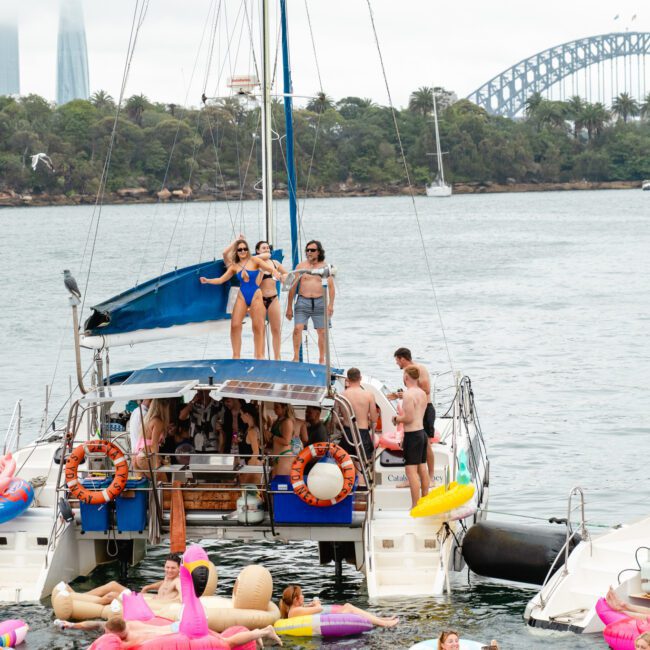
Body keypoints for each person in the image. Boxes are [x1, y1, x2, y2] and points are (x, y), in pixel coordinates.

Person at [200, 238, 278, 359]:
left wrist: (277, 273)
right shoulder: (234, 266)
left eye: (245, 249)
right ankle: (236, 356)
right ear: (236, 251)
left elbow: (270, 268)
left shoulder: (254, 260)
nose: (243, 251)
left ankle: (259, 356)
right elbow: (221, 279)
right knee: (235, 325)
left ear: (248, 250)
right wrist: (208, 280)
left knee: (258, 326)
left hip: (256, 295)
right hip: (242, 295)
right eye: (240, 249)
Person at [57, 615, 283, 648]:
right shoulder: (129, 622)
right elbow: (96, 624)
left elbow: (124, 645)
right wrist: (71, 624)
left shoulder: (129, 639)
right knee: (226, 639)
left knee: (226, 645)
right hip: (182, 626)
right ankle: (257, 636)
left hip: (184, 634)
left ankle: (262, 632)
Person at [63, 554, 182, 606]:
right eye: (167, 567)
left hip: (148, 605)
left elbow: (183, 596)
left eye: (173, 568)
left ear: (179, 569)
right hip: (144, 600)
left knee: (112, 595)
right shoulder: (169, 577)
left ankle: (82, 603)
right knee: (113, 584)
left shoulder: (178, 581)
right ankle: (78, 595)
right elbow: (164, 583)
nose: (169, 570)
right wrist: (148, 587)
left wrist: (167, 602)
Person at [286, 240, 335, 364]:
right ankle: (296, 357)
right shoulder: (301, 266)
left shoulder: (325, 267)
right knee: (297, 328)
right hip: (303, 301)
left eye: (312, 250)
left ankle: (321, 359)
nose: (309, 252)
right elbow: (292, 287)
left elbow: (331, 287)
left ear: (318, 252)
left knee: (322, 332)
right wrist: (289, 307)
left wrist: (331, 305)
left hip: (320, 302)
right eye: (307, 250)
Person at [392, 347, 436, 481]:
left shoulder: (419, 369)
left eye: (397, 360)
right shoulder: (408, 372)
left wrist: (406, 394)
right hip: (415, 410)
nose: (396, 364)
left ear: (403, 359)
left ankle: (431, 476)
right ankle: (413, 478)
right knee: (415, 444)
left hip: (425, 409)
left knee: (426, 445)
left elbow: (427, 389)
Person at [279, 584, 398, 628]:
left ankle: (381, 620)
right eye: (302, 594)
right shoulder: (295, 611)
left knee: (347, 606)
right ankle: (384, 623)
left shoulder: (294, 610)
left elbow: (305, 612)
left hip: (325, 619)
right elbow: (319, 608)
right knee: (349, 607)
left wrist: (309, 606)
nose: (303, 596)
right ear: (296, 599)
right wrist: (316, 603)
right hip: (330, 621)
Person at [394, 366, 429, 509]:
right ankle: (425, 500)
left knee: (411, 472)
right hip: (422, 433)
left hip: (413, 435)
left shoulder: (408, 395)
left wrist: (396, 418)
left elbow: (408, 418)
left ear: (406, 377)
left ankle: (415, 505)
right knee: (422, 468)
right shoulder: (422, 393)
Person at [255, 240, 289, 360]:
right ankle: (261, 357)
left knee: (275, 329)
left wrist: (283, 277)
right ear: (258, 251)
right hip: (260, 299)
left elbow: (289, 277)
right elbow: (255, 284)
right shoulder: (256, 265)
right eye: (263, 248)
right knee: (261, 330)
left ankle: (277, 357)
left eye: (268, 248)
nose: (266, 250)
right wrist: (261, 271)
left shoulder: (275, 263)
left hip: (273, 298)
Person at [340, 367, 377, 462]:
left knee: (347, 463)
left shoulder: (341, 395)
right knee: (362, 464)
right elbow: (374, 419)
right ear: (360, 378)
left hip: (347, 434)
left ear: (347, 379)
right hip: (362, 434)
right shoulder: (369, 395)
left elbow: (335, 421)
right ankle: (361, 476)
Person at [133, 399, 170, 473]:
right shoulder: (158, 422)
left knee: (145, 484)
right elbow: (153, 444)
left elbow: (148, 443)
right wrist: (157, 463)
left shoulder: (148, 419)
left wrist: (161, 460)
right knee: (163, 481)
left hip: (138, 455)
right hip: (147, 457)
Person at [269, 402, 295, 476]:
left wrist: (272, 436)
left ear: (284, 408)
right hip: (276, 456)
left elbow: (286, 441)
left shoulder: (287, 422)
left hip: (284, 456)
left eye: (277, 407)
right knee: (274, 483)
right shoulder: (277, 421)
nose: (274, 409)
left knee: (281, 484)